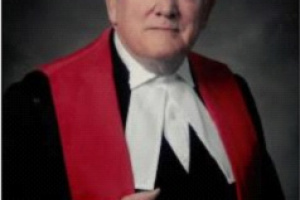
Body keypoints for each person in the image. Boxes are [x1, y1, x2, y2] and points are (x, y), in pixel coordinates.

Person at [3, 0, 285, 199]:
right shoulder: (34, 103)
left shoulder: (235, 91)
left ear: (207, 9)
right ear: (113, 4)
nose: (166, 8)